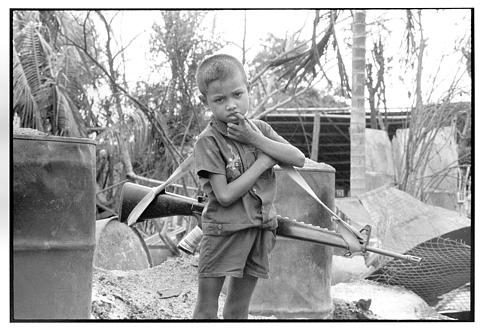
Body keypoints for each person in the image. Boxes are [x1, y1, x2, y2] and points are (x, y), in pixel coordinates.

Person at [192, 54, 305, 319]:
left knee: (238, 310)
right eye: (220, 100)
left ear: (248, 89)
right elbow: (225, 195)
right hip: (224, 232)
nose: (231, 105)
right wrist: (264, 163)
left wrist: (254, 138)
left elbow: (298, 158)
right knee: (207, 307)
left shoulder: (261, 130)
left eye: (237, 94)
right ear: (205, 101)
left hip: (260, 230)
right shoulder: (208, 142)